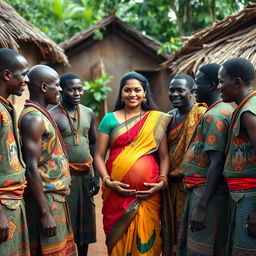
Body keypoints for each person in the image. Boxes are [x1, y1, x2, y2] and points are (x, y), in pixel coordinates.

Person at [95, 71, 171, 256]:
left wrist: (161, 182)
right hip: (116, 195)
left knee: (147, 243)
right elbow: (98, 156)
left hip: (148, 196)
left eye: (137, 90)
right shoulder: (109, 119)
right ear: (121, 93)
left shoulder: (155, 119)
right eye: (127, 90)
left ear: (145, 93)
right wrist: (107, 182)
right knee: (118, 243)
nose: (132, 94)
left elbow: (164, 156)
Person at [19, 65, 77, 256]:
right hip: (45, 199)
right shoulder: (34, 119)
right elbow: (31, 168)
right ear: (44, 87)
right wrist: (44, 213)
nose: (60, 90)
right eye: (57, 85)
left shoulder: (42, 114)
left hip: (55, 198)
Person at [177, 64, 233, 256]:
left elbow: (216, 163)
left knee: (200, 250)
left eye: (197, 83)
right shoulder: (222, 110)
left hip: (207, 196)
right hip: (209, 193)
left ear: (210, 86)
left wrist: (201, 207)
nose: (193, 89)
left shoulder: (214, 116)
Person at [50, 73, 99, 256]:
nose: (77, 93)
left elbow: (93, 142)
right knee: (67, 219)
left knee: (86, 218)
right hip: (65, 178)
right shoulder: (52, 115)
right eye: (72, 89)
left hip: (85, 176)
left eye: (80, 88)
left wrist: (96, 176)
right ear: (61, 91)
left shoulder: (88, 112)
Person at [218, 58, 256, 255]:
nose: (219, 87)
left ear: (237, 82)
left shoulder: (249, 112)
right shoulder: (244, 107)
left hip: (250, 197)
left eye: (222, 81)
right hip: (241, 196)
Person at [166, 74, 207, 252]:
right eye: (172, 90)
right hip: (169, 186)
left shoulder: (200, 114)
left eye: (180, 90)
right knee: (169, 232)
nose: (175, 94)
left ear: (191, 92)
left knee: (189, 232)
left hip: (191, 185)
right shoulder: (167, 117)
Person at [0, 48, 30, 255]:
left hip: (12, 203)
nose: (26, 80)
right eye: (23, 74)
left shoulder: (7, 108)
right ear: (7, 75)